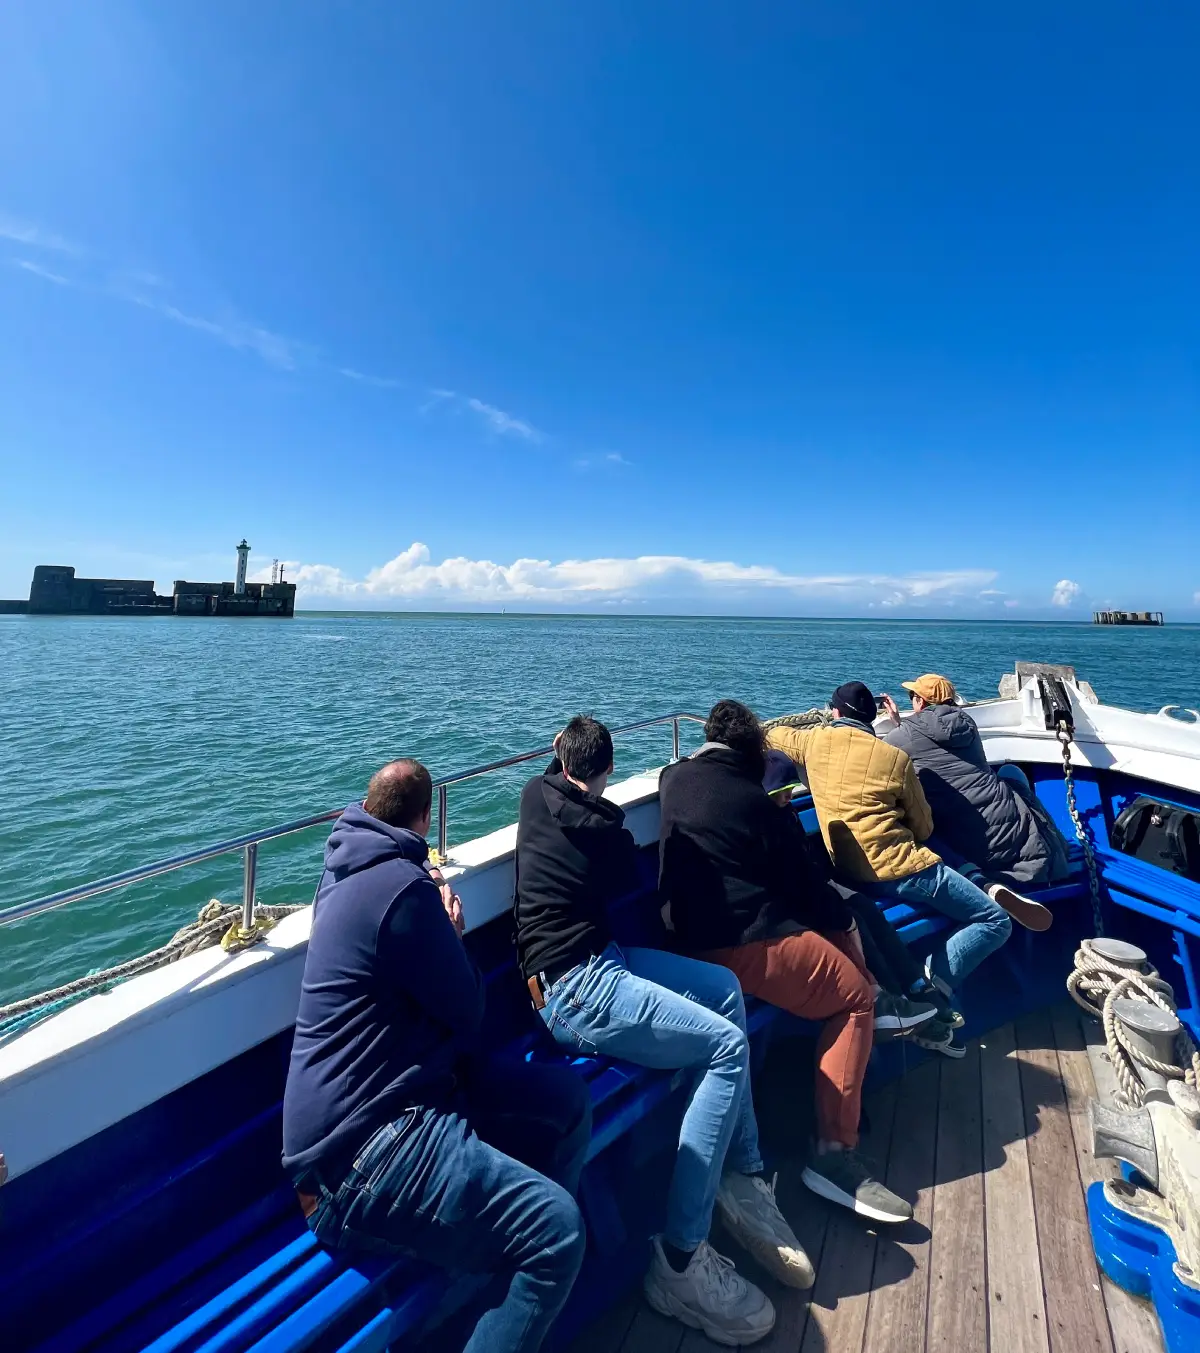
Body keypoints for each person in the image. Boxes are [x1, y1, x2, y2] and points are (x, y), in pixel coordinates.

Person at [517, 715, 808, 1346]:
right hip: (576, 991)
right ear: (605, 773)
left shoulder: (533, 796)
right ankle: (679, 1259)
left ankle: (742, 1171)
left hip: (596, 962)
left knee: (724, 991)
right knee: (727, 1050)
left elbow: (571, 803)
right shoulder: (605, 831)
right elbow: (621, 865)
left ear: (558, 760)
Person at [283, 759, 591, 1353]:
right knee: (556, 1233)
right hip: (359, 1156)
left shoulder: (344, 869)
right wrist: (450, 931)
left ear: (368, 809)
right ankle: (536, 1267)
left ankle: (519, 1297)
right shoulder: (402, 891)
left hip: (413, 1092)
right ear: (426, 817)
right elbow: (470, 1010)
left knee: (568, 1101)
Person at [659, 700, 914, 1226]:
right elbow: (806, 886)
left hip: (685, 938)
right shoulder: (755, 803)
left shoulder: (671, 779)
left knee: (823, 945)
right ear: (750, 751)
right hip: (739, 942)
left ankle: (880, 1012)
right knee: (853, 998)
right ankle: (832, 1155)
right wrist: (845, 925)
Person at [766, 681, 1015, 1003]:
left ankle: (970, 882)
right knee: (995, 920)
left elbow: (772, 733)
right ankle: (933, 979)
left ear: (835, 712)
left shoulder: (813, 742)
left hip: (850, 869)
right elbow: (923, 828)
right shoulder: (894, 757)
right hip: (901, 871)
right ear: (871, 718)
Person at [762, 750, 964, 1058]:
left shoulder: (783, 813)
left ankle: (915, 985)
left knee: (867, 908)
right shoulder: (761, 817)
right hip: (795, 898)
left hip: (813, 883)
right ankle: (897, 1003)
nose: (787, 797)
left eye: (790, 791)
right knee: (851, 918)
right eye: (781, 793)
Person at [882, 673, 1066, 926]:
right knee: (1009, 775)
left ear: (921, 702)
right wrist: (901, 725)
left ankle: (979, 881)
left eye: (912, 696)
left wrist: (898, 726)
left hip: (972, 842)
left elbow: (887, 751)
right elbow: (932, 736)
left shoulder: (904, 735)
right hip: (1016, 833)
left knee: (916, 822)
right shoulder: (966, 723)